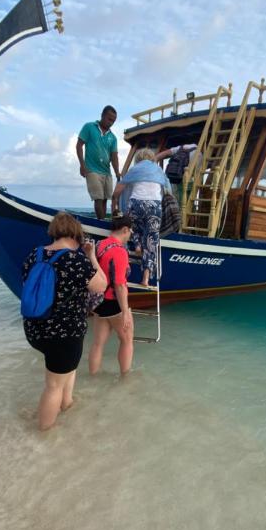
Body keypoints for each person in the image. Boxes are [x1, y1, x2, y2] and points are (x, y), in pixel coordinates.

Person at [22, 212, 106, 431]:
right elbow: (101, 285)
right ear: (76, 234)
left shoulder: (35, 254)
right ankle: (45, 434)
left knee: (65, 370)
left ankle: (67, 404)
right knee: (53, 386)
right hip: (64, 334)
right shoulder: (75, 259)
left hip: (35, 328)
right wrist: (92, 256)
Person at [111, 148, 171, 286]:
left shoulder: (134, 169)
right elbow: (168, 191)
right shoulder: (158, 171)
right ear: (152, 158)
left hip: (136, 203)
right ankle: (145, 278)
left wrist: (114, 205)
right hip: (154, 206)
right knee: (151, 241)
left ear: (138, 159)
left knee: (133, 227)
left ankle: (137, 245)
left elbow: (117, 192)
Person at [88, 215, 134, 376]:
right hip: (114, 303)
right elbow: (120, 285)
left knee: (98, 344)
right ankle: (125, 379)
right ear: (125, 230)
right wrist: (126, 312)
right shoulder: (119, 251)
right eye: (130, 232)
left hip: (98, 302)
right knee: (127, 341)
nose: (130, 235)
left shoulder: (99, 245)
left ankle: (92, 377)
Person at [76, 105, 121, 219]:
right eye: (109, 119)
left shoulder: (113, 137)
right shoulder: (89, 127)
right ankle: (101, 222)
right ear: (102, 115)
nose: (111, 122)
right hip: (91, 169)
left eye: (113, 121)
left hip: (106, 171)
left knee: (105, 199)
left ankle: (101, 222)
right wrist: (82, 165)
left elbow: (114, 157)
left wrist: (117, 172)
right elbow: (79, 145)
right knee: (98, 198)